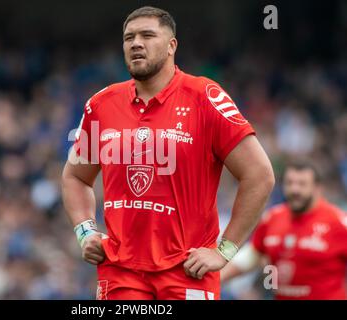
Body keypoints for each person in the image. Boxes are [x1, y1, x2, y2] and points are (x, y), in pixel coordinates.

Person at [61, 6, 275, 300]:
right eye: (129, 38)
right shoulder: (102, 104)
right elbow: (75, 176)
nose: (136, 43)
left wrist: (225, 250)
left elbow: (259, 175)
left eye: (148, 35)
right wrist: (85, 232)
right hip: (120, 272)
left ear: (172, 45)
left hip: (187, 271)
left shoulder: (205, 97)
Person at [221, 160, 347, 300]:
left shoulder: (339, 223)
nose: (295, 190)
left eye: (302, 184)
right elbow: (251, 257)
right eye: (290, 183)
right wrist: (217, 278)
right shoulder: (272, 219)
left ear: (317, 188)